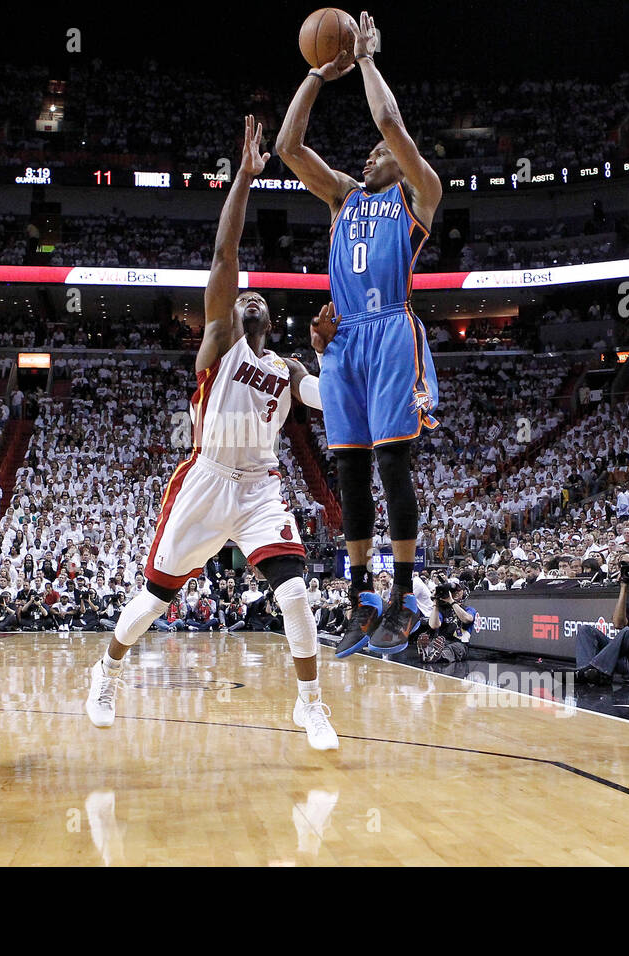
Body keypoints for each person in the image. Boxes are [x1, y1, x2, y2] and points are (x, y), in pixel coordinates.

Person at [85, 117, 337, 750]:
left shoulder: (287, 368)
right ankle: (106, 670)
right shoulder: (220, 346)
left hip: (259, 490)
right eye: (241, 297)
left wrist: (330, 354)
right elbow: (225, 256)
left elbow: (332, 402)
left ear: (271, 321)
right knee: (152, 603)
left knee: (297, 597)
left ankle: (311, 704)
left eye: (259, 301)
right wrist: (243, 182)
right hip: (204, 481)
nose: (248, 297)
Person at [278, 11, 443, 657]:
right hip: (346, 341)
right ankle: (359, 595)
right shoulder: (342, 196)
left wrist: (368, 60)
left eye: (379, 154)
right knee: (348, 467)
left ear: (398, 165)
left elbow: (391, 125)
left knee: (392, 461)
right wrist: (316, 76)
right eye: (369, 154)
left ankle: (404, 592)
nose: (369, 154)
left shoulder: (419, 193)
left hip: (391, 331)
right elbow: (290, 148)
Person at [575, 556, 629, 686]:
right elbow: (618, 624)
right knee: (585, 630)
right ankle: (585, 673)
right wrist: (623, 588)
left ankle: (593, 670)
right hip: (627, 661)